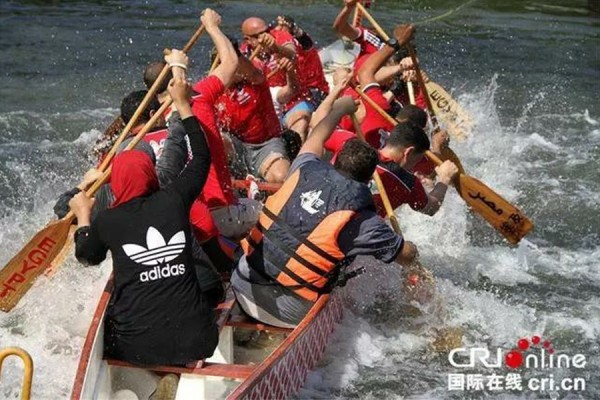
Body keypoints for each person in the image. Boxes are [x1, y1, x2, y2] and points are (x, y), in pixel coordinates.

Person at [230, 96, 418, 328]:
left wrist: (339, 110)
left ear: (336, 162)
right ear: (369, 180)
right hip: (284, 313)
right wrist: (413, 250)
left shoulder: (304, 167)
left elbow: (317, 136)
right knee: (344, 266)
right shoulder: (362, 219)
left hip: (241, 281)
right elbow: (405, 256)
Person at [69, 73, 217, 367]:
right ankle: (179, 364)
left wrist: (85, 216)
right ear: (151, 174)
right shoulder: (175, 199)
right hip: (200, 341)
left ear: (117, 184)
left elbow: (86, 256)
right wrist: (184, 106)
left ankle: (151, 375)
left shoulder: (108, 220)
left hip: (135, 349)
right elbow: (201, 156)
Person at [191, 10, 261, 240]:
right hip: (222, 214)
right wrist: (212, 27)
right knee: (278, 212)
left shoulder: (165, 123)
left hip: (191, 216)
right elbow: (231, 62)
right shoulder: (199, 97)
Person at [214, 51, 290, 184]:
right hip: (236, 147)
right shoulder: (213, 91)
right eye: (228, 65)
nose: (234, 69)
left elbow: (251, 71)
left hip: (265, 146)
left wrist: (232, 49)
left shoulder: (255, 81)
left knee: (280, 176)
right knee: (216, 139)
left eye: (235, 65)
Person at [241, 17, 313, 141]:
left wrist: (276, 48)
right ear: (248, 40)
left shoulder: (280, 36)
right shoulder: (243, 56)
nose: (265, 37)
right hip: (267, 107)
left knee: (300, 123)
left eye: (267, 31)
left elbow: (292, 54)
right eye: (258, 35)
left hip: (292, 101)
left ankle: (298, 157)